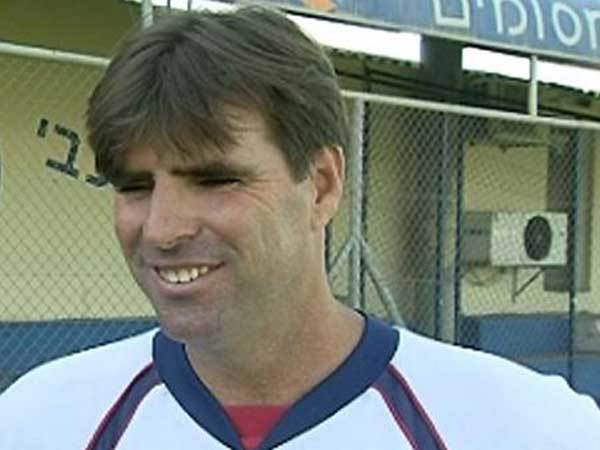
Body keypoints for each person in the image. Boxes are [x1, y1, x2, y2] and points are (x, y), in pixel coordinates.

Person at [1, 6, 599, 450]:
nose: (161, 229)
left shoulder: (525, 428)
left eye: (215, 180)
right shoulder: (40, 421)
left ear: (321, 185)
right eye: (135, 187)